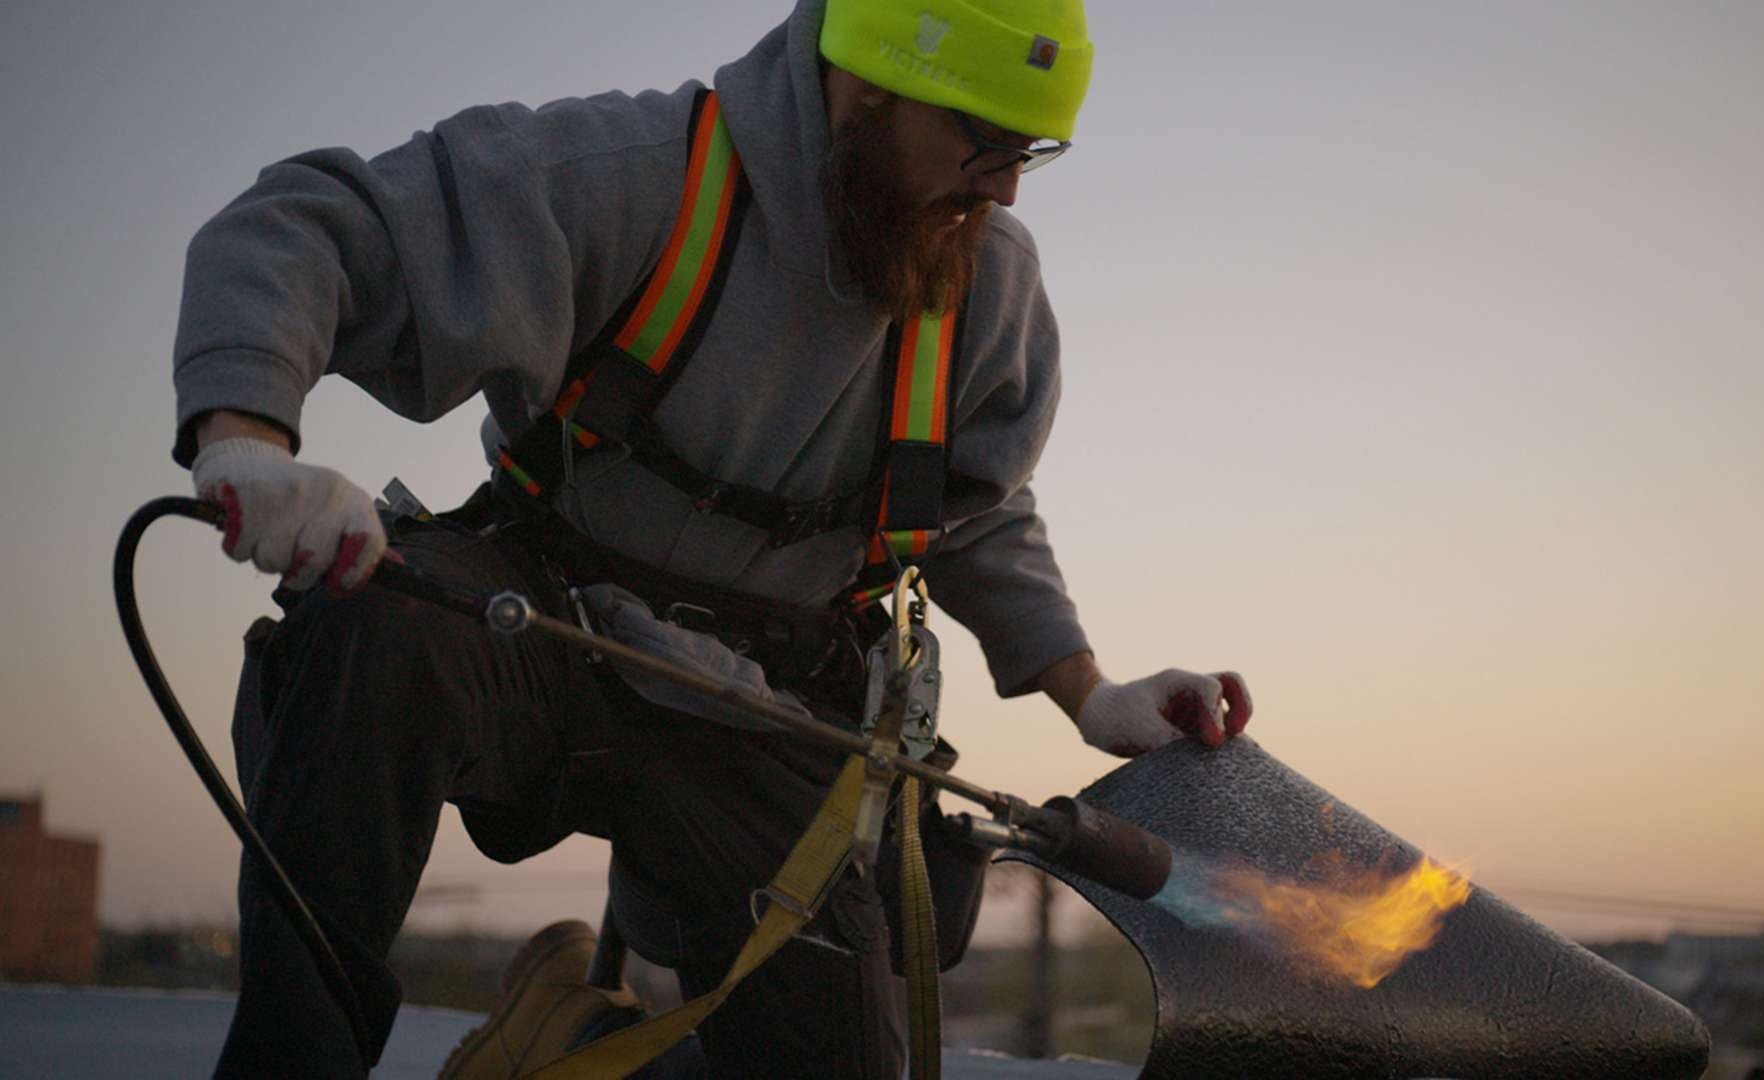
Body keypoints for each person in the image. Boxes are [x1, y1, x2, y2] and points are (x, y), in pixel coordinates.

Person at [172, 1, 1253, 1076]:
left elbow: (974, 510)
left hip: (759, 705)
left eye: (1031, 152)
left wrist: (1088, 693)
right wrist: (248, 441)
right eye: (984, 141)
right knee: (375, 621)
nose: (1007, 187)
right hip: (536, 627)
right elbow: (302, 227)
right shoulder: (634, 176)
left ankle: (571, 1046)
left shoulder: (985, 281)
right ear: (868, 84)